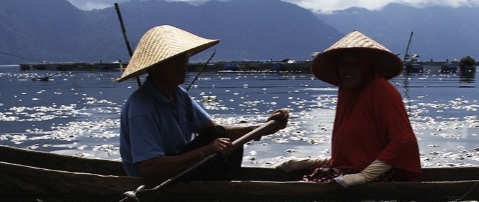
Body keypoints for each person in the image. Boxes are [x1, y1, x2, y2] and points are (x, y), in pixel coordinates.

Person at [117, 25, 289, 185]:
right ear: (155, 68)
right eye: (175, 61)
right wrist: (205, 151)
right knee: (217, 137)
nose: (183, 67)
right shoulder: (141, 108)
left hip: (179, 170)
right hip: (156, 180)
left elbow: (214, 129)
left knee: (222, 135)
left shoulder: (178, 95)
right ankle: (219, 191)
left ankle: (221, 187)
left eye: (184, 60)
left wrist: (264, 128)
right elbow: (150, 169)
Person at [279, 31, 421, 187]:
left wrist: (364, 176)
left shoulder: (383, 91)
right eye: (343, 65)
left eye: (355, 65)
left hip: (379, 174)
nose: (347, 70)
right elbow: (355, 153)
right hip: (349, 169)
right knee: (305, 183)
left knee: (308, 190)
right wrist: (310, 163)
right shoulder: (348, 92)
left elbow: (403, 141)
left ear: (367, 67)